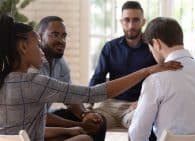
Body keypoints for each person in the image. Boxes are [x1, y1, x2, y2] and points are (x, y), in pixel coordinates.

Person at [0, 14, 182, 141]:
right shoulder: (35, 82)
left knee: (81, 135)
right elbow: (93, 93)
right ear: (23, 47)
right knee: (84, 139)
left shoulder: (5, 79)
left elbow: (26, 131)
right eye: (37, 45)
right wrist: (147, 71)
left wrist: (70, 129)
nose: (40, 51)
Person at [128, 17, 195, 141]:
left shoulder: (156, 80)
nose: (152, 53)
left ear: (156, 44)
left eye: (150, 49)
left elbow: (137, 136)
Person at [36, 16, 106, 141]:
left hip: (45, 117)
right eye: (55, 35)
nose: (61, 40)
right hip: (33, 123)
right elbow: (36, 116)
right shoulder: (30, 65)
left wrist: (85, 115)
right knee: (83, 134)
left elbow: (69, 97)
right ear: (40, 37)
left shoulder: (60, 62)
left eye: (63, 36)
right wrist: (79, 125)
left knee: (98, 122)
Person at [89, 1, 156, 130]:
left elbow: (160, 80)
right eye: (127, 20)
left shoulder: (152, 48)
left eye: (136, 20)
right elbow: (98, 78)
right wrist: (88, 105)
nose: (131, 25)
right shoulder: (110, 47)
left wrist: (143, 102)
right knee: (92, 123)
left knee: (140, 126)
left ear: (143, 21)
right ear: (121, 22)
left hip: (137, 105)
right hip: (109, 105)